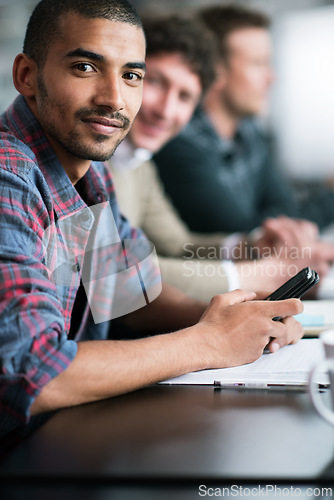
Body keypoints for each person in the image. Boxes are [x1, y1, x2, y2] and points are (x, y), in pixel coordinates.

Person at [0, 0, 303, 440]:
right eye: (85, 67)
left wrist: (237, 321)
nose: (114, 99)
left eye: (132, 76)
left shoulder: (91, 167)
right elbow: (33, 370)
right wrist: (209, 342)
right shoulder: (10, 177)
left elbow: (128, 291)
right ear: (27, 75)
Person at [109, 13, 333, 301]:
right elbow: (114, 276)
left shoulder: (138, 162)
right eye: (155, 82)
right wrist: (257, 274)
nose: (166, 110)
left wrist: (250, 246)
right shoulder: (99, 156)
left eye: (185, 97)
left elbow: (180, 246)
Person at [153, 4, 334, 234]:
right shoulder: (177, 142)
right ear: (216, 70)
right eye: (258, 63)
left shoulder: (249, 131)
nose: (271, 78)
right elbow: (245, 235)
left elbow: (285, 210)